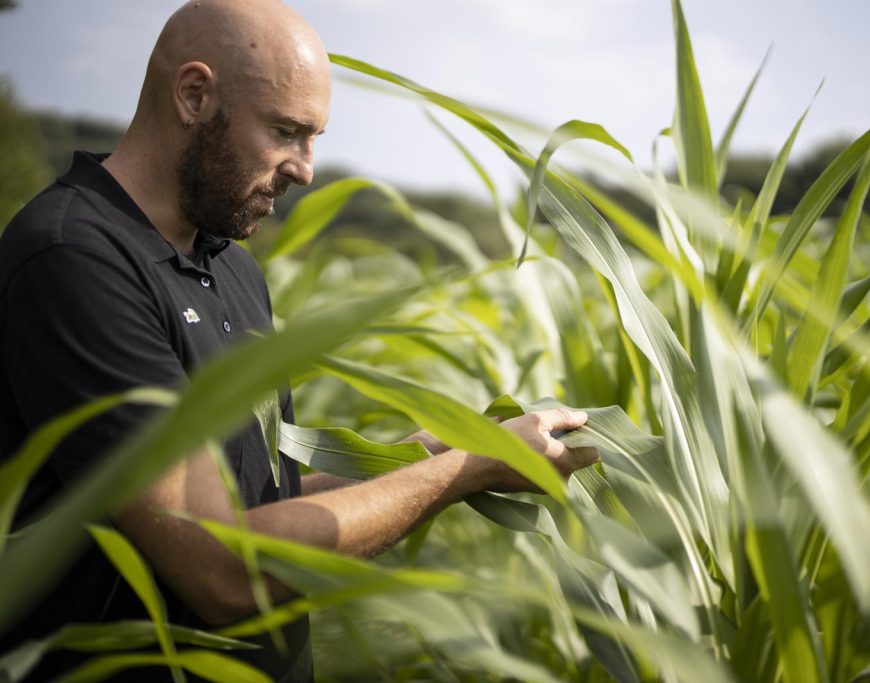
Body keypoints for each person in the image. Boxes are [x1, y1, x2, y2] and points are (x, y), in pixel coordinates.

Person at [0, 1, 598, 680]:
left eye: (313, 137)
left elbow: (260, 507)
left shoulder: (229, 264)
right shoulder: (73, 259)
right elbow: (222, 565)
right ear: (194, 95)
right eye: (286, 132)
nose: (306, 168)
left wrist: (443, 450)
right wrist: (467, 472)